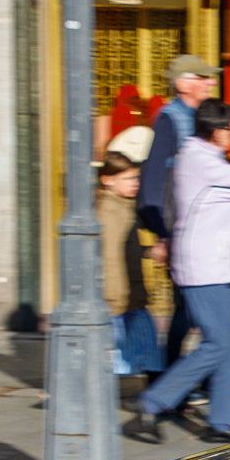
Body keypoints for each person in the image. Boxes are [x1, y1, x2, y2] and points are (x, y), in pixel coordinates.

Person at [127, 99, 230, 444]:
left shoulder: (201, 157)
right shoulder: (202, 162)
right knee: (219, 343)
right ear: (218, 132)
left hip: (214, 266)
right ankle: (154, 400)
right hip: (205, 269)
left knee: (229, 345)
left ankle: (219, 422)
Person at [140, 55, 219, 366]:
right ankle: (170, 380)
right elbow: (153, 180)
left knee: (192, 308)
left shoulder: (197, 116)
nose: (210, 82)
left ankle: (181, 380)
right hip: (178, 227)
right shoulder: (169, 118)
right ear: (182, 84)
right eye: (203, 78)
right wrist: (161, 233)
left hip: (197, 225)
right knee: (186, 308)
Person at [95, 152, 162, 377]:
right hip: (122, 297)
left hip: (131, 294)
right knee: (124, 354)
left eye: (136, 178)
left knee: (146, 349)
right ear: (107, 180)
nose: (135, 184)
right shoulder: (110, 211)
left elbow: (129, 249)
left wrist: (150, 252)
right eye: (128, 179)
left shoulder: (125, 206)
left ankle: (155, 399)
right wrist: (117, 296)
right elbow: (111, 257)